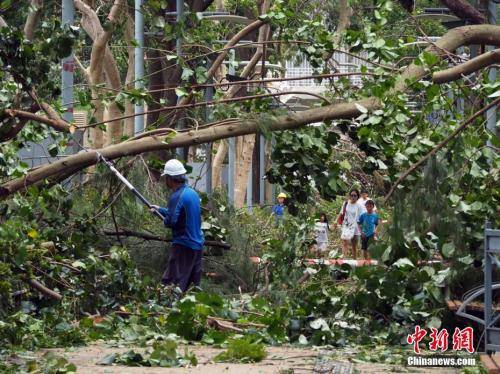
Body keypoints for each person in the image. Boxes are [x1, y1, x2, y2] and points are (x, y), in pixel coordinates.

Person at [151, 159, 204, 292]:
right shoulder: (192, 193)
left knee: (171, 285)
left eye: (166, 178)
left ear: (170, 178)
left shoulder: (177, 196)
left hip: (183, 246)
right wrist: (159, 209)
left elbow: (171, 221)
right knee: (191, 289)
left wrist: (163, 219)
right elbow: (182, 214)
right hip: (197, 247)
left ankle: (164, 310)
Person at [334, 188, 364, 258]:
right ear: (349, 196)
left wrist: (363, 227)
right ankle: (344, 259)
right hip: (346, 225)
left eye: (355, 196)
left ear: (357, 196)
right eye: (352, 195)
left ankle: (354, 261)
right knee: (344, 242)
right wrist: (336, 221)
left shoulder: (359, 206)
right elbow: (341, 213)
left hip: (355, 226)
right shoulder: (346, 203)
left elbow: (362, 217)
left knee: (354, 245)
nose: (353, 197)